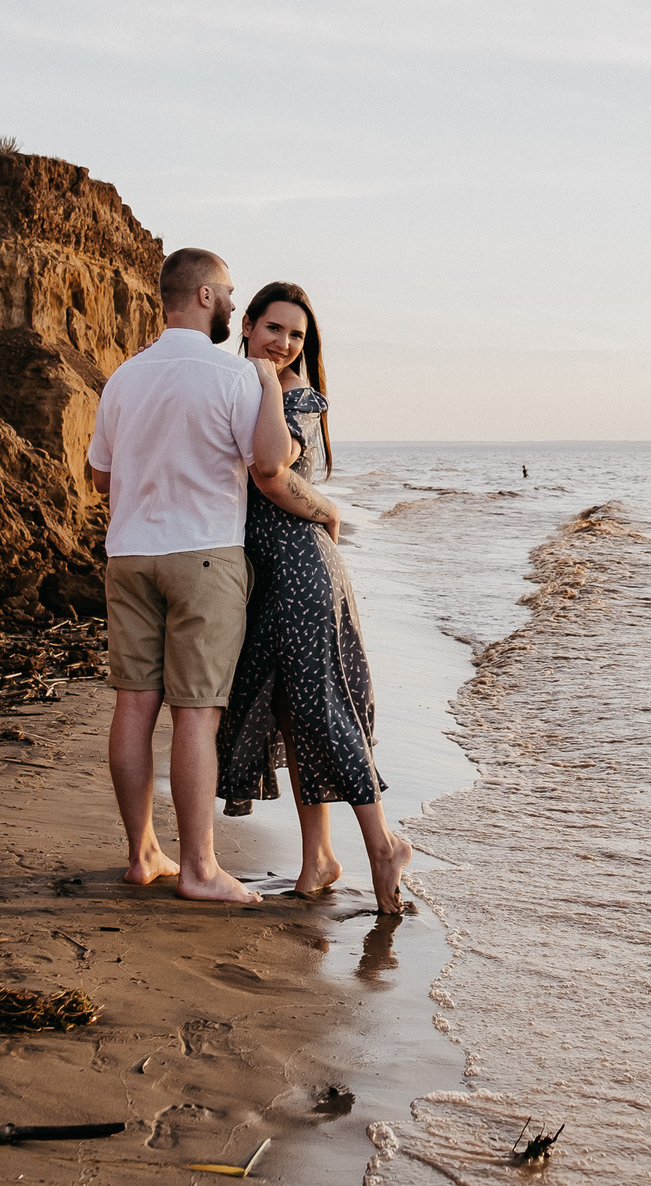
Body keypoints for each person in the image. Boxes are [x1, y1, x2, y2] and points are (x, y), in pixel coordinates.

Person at [85, 247, 291, 905]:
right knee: (196, 717)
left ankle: (143, 852)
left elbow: (99, 476)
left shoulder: (123, 377)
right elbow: (268, 464)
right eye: (229, 292)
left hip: (129, 556)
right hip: (203, 555)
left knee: (133, 704)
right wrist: (266, 385)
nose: (234, 303)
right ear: (204, 296)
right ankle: (201, 868)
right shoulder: (231, 377)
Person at [215, 281, 413, 913]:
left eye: (296, 335)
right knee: (292, 713)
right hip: (264, 575)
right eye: (274, 329)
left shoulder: (291, 394)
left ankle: (381, 843)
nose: (284, 343)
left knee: (322, 707)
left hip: (302, 572)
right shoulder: (239, 383)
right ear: (246, 325)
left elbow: (274, 472)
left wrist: (326, 506)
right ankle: (318, 859)